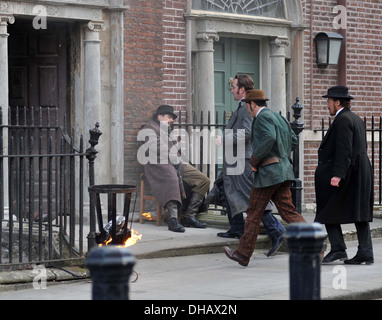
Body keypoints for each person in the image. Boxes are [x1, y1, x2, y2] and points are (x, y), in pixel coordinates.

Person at [224, 89, 306, 267]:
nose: (247, 109)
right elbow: (293, 140)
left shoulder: (261, 118)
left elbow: (268, 138)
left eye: (248, 106)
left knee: (253, 213)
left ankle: (243, 254)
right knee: (288, 212)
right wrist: (281, 156)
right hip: (283, 172)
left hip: (269, 174)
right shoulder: (279, 117)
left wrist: (254, 160)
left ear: (253, 104)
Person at [210, 74, 285, 257]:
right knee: (223, 188)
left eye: (233, 87)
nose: (231, 90)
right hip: (235, 161)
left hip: (242, 162)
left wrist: (224, 139)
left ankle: (277, 230)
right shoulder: (242, 106)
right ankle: (237, 227)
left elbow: (247, 133)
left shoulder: (247, 108)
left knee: (252, 199)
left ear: (242, 89)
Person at [315, 86, 374, 265]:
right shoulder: (355, 118)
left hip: (349, 171)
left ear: (337, 102)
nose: (328, 105)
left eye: (329, 101)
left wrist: (338, 175)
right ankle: (365, 251)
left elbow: (344, 149)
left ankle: (338, 249)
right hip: (361, 169)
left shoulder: (343, 120)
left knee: (326, 209)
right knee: (360, 211)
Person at [140, 105, 210, 233]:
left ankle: (189, 215)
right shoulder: (149, 128)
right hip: (158, 166)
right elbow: (157, 147)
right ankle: (173, 219)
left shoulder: (165, 130)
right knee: (171, 177)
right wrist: (174, 158)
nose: (172, 120)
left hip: (177, 163)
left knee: (203, 180)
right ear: (159, 116)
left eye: (172, 118)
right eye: (169, 117)